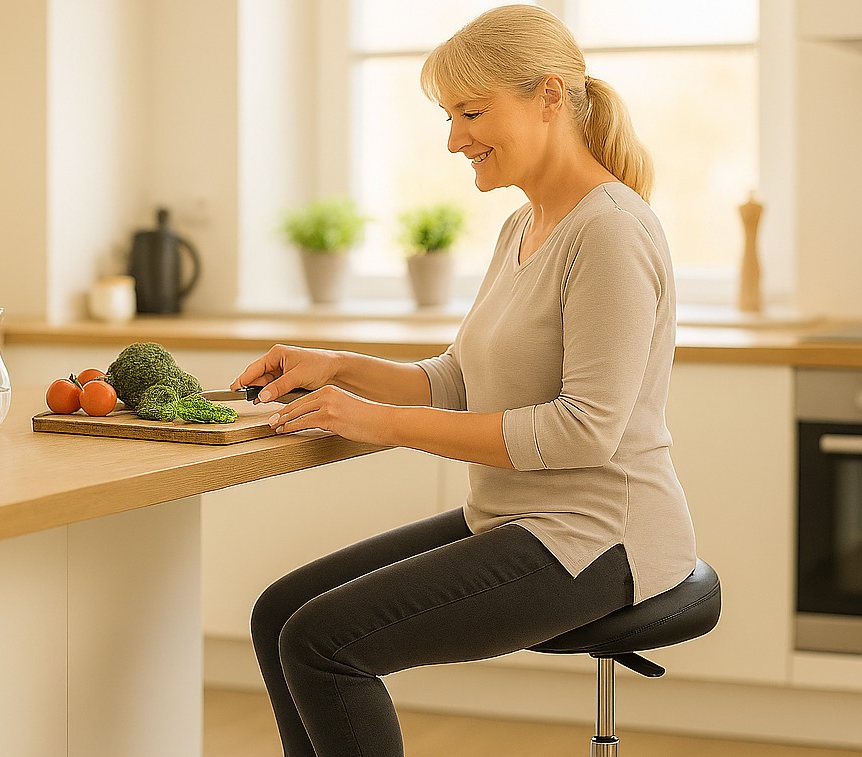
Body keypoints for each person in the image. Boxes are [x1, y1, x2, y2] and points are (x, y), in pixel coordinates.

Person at [232, 5, 697, 756]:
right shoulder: (525, 225)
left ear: (550, 97)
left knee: (323, 641)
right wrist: (338, 367)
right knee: (280, 611)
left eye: (472, 112)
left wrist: (376, 422)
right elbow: (458, 379)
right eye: (449, 116)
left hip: (598, 536)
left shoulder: (609, 229)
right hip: (522, 516)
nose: (455, 139)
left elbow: (585, 428)